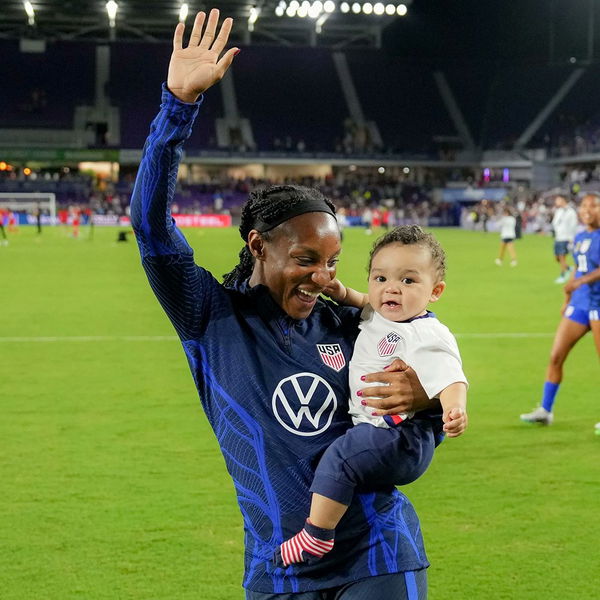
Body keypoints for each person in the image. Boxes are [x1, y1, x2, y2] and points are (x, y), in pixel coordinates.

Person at [130, 9, 443, 599]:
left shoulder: (352, 321)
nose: (322, 277)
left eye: (332, 261)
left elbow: (426, 412)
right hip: (276, 569)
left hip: (376, 552)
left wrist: (427, 398)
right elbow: (151, 230)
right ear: (258, 247)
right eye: (306, 260)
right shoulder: (208, 314)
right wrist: (177, 108)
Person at [277, 225, 468, 567]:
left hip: (400, 437)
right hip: (383, 431)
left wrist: (455, 409)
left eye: (408, 281)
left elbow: (452, 377)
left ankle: (317, 535)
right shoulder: (383, 315)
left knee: (340, 459)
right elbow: (366, 304)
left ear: (435, 291)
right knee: (343, 456)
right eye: (380, 279)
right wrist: (340, 291)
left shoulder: (426, 333)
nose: (391, 289)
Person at [520, 194, 600, 427]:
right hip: (581, 302)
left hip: (599, 303)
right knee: (556, 356)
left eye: (594, 206)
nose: (588, 210)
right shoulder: (581, 235)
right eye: (584, 206)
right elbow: (578, 267)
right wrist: (568, 297)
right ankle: (545, 410)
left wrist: (580, 281)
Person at [551, 194, 578, 284]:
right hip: (558, 237)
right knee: (557, 258)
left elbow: (573, 225)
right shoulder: (558, 211)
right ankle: (568, 268)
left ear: (563, 200)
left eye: (558, 200)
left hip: (566, 238)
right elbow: (555, 223)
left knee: (562, 257)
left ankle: (563, 275)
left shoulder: (571, 212)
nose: (556, 202)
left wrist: (571, 238)